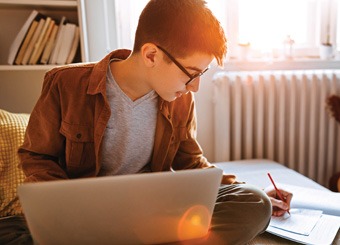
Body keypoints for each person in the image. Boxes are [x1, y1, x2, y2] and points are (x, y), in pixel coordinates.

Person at [1, 0, 292, 244]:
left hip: (152, 215)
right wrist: (66, 208)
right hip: (83, 215)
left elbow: (192, 164)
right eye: (191, 73)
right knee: (9, 232)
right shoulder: (65, 83)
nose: (194, 87)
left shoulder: (181, 99)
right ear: (151, 54)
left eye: (200, 75)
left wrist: (239, 185)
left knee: (254, 202)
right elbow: (36, 156)